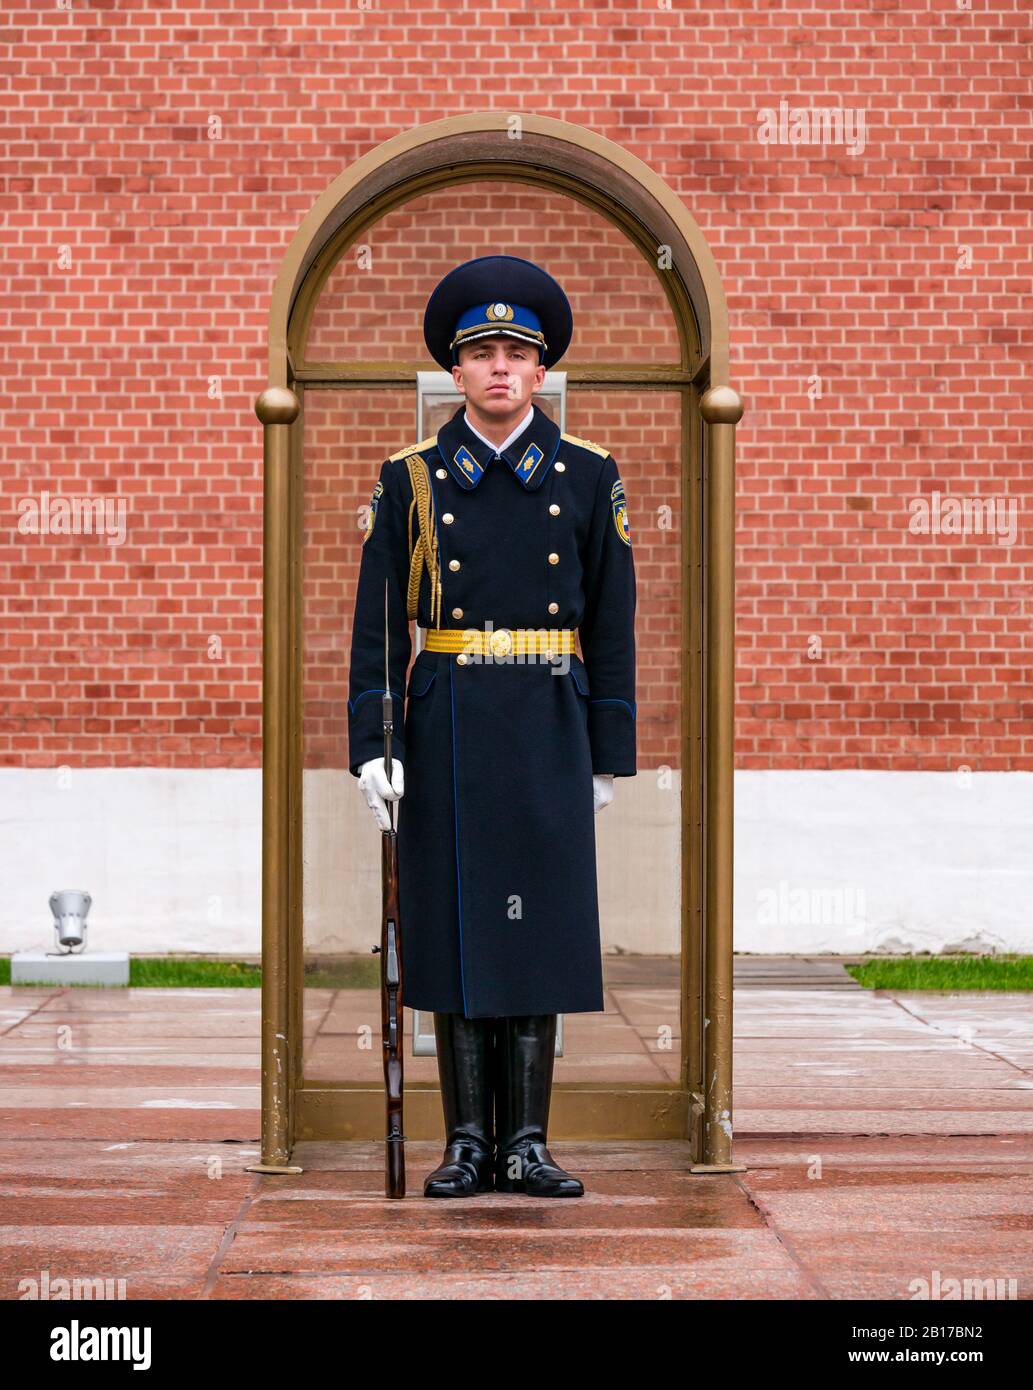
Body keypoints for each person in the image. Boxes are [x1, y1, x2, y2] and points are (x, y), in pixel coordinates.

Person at [347, 255, 636, 1198]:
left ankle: (528, 1143)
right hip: (449, 722)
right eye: (484, 355)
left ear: (541, 372)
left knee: (538, 929)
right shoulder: (413, 479)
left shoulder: (588, 476)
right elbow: (378, 627)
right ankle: (467, 1140)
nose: (502, 369)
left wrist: (608, 750)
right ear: (456, 373)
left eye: (518, 353)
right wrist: (373, 746)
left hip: (548, 713)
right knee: (458, 928)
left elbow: (614, 620)